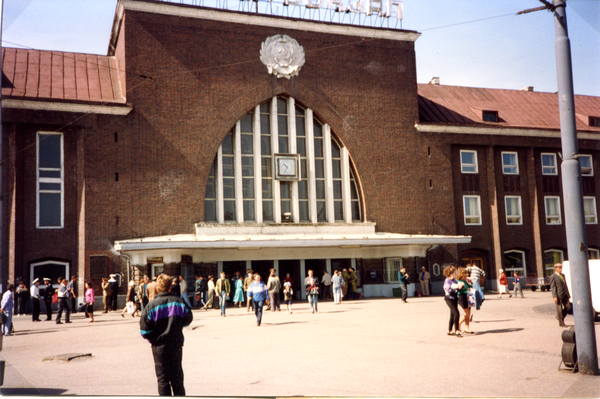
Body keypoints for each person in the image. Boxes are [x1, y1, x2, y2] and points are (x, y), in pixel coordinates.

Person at [140, 273, 193, 396]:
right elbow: (187, 320)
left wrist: (152, 338)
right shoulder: (179, 302)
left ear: (158, 288)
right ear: (170, 287)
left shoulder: (151, 306)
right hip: (176, 344)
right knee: (177, 378)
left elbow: (144, 331)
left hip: (159, 346)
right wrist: (177, 324)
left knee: (163, 379)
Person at [550, 263, 571, 327]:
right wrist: (554, 296)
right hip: (558, 295)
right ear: (555, 268)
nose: (560, 269)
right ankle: (561, 323)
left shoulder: (563, 275)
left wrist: (568, 294)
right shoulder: (553, 276)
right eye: (558, 268)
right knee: (559, 309)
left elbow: (565, 285)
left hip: (565, 294)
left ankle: (559, 317)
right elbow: (553, 287)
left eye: (561, 268)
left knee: (569, 307)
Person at [443, 266, 461, 337]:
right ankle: (457, 330)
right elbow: (448, 290)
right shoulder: (447, 280)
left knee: (452, 314)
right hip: (449, 298)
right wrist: (457, 288)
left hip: (455, 298)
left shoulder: (454, 280)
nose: (455, 274)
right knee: (456, 313)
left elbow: (458, 286)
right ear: (450, 273)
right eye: (454, 273)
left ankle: (449, 330)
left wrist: (460, 286)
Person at [456, 267, 474, 334]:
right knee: (466, 314)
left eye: (466, 275)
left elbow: (470, 287)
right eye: (464, 275)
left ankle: (467, 328)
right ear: (461, 275)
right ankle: (458, 324)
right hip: (462, 297)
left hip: (468, 296)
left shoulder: (465, 281)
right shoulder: (458, 282)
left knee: (468, 314)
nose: (466, 276)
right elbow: (460, 289)